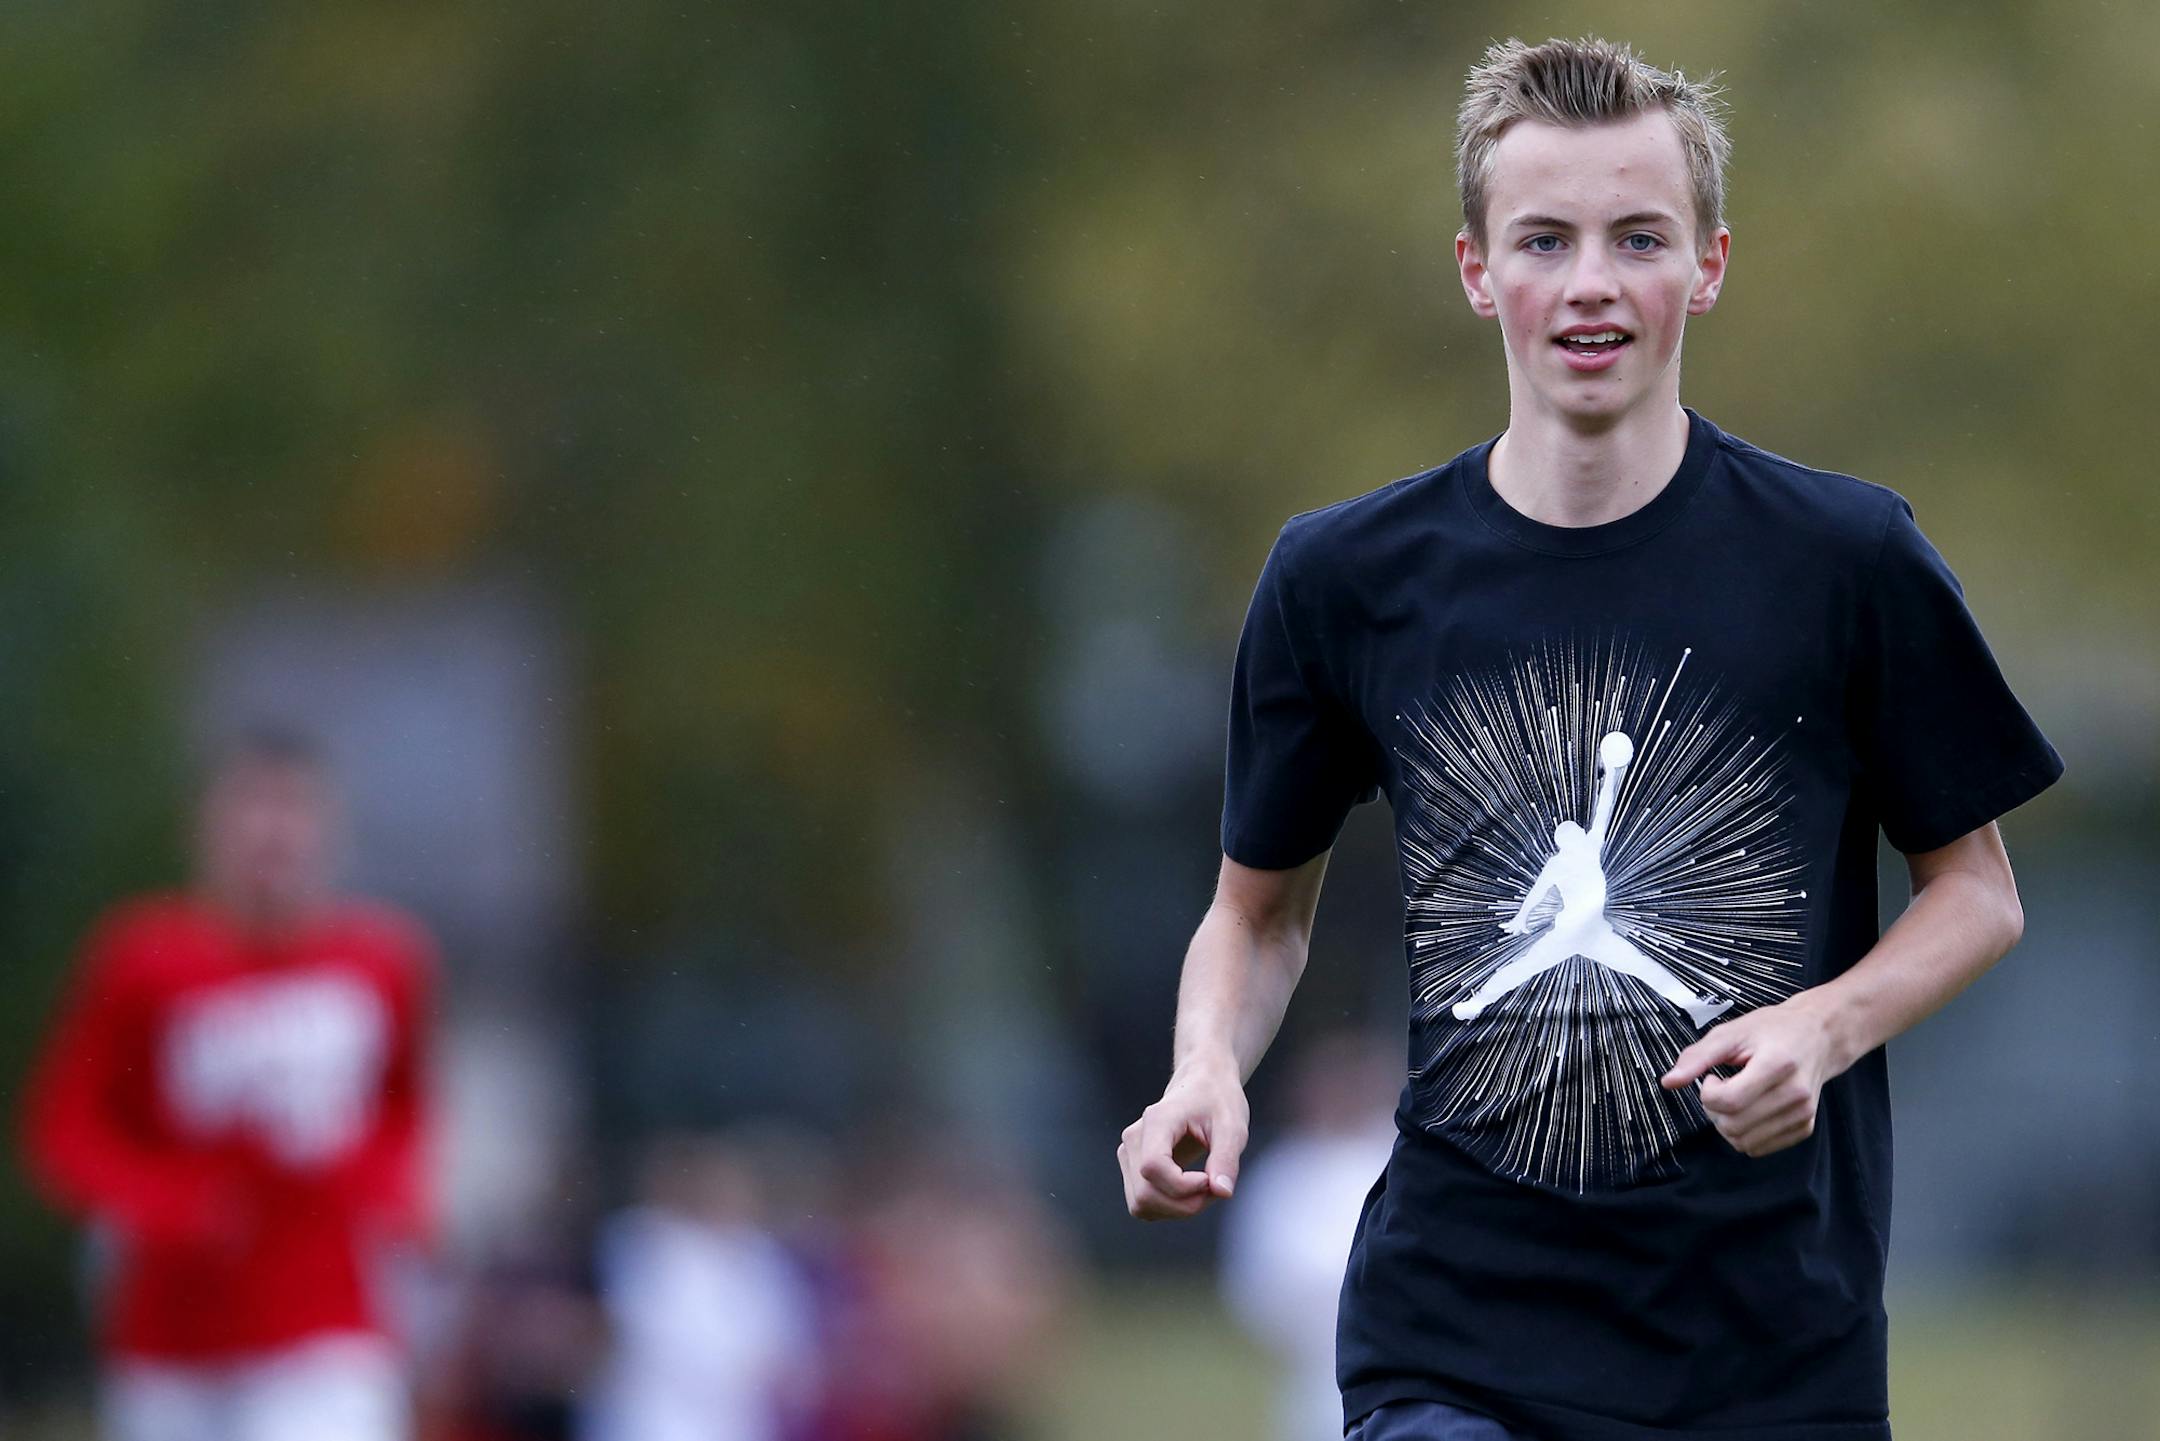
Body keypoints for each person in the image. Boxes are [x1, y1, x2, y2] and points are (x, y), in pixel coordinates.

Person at [1116, 34, 2064, 1441]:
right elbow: (1255, 919)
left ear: (1711, 264)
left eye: (1638, 238)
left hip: (1769, 1357)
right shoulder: (1344, 580)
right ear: (1476, 270)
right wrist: (1204, 1067)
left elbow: (1978, 893)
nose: (1592, 285)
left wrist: (1822, 1025)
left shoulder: (1846, 560)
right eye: (1545, 240)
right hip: (1455, 1346)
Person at [19, 727, 438, 1441]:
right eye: (251, 810)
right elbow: (65, 1129)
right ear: (206, 829)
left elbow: (404, 1105)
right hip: (174, 1331)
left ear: (329, 830)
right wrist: (169, 1201)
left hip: (324, 1316)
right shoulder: (145, 959)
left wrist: (391, 1192)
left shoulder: (381, 960)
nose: (271, 835)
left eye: (292, 810)